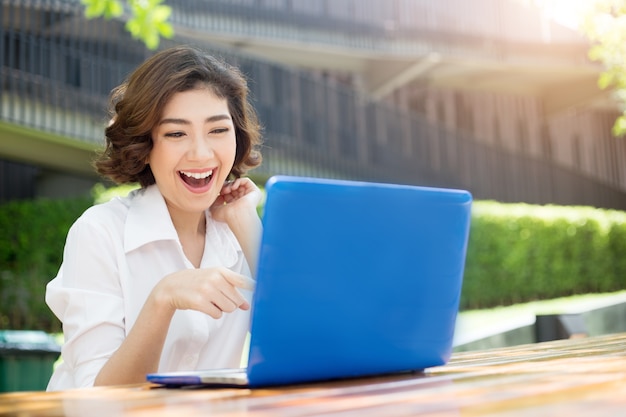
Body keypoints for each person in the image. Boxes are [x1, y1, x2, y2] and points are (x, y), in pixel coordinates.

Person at [45, 45, 263, 390]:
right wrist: (162, 299)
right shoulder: (100, 232)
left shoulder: (238, 230)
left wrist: (248, 226)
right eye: (176, 133)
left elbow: (305, 344)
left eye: (218, 130)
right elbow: (98, 398)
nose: (201, 153)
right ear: (145, 146)